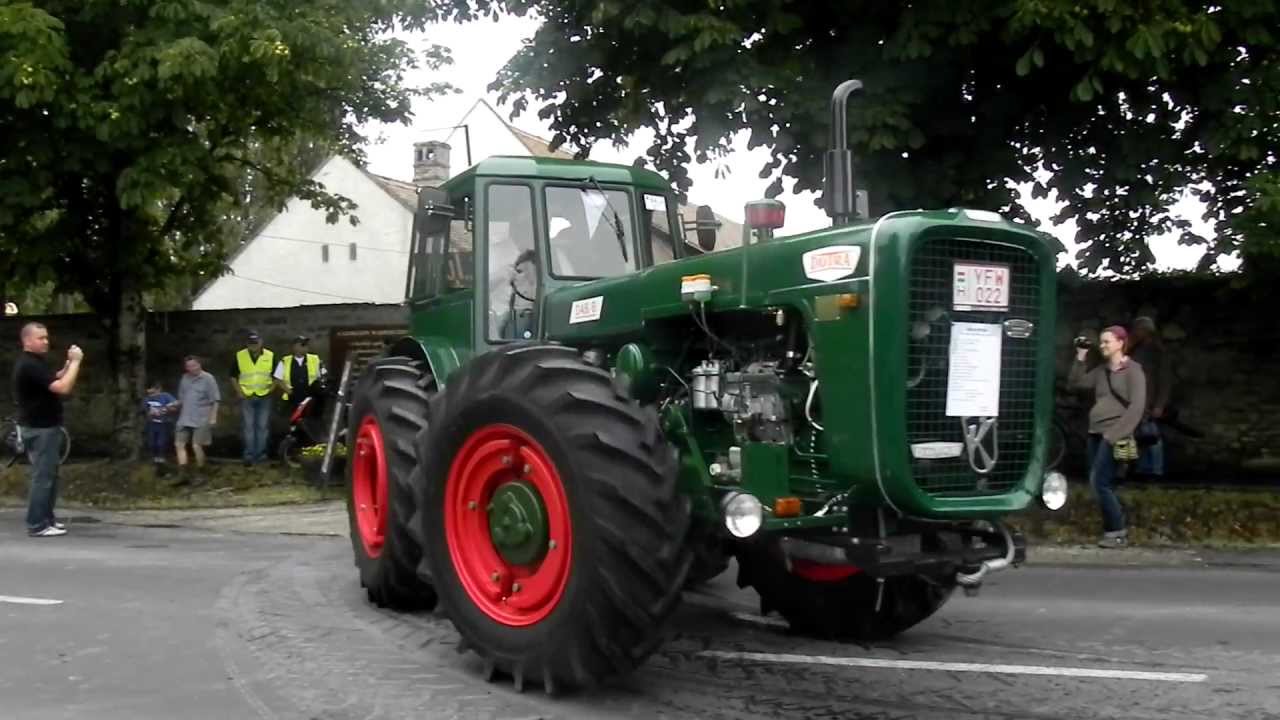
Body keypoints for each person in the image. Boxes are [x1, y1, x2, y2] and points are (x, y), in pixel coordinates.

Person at [1069, 325, 1147, 549]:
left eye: (1107, 342)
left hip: (1115, 435)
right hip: (1095, 433)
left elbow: (1137, 407)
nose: (1102, 346)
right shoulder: (1102, 371)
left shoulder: (1134, 371)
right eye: (1101, 342)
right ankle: (1113, 530)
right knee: (1101, 484)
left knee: (1099, 482)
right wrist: (1081, 356)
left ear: (1120, 343)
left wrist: (1113, 435)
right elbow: (1075, 384)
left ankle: (1117, 532)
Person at [11, 322, 83, 537]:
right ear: (27, 341)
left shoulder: (36, 363)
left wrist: (69, 363)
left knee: (50, 476)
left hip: (46, 426)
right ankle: (37, 524)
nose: (46, 342)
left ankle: (47, 519)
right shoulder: (29, 365)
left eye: (46, 338)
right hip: (40, 428)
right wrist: (77, 363)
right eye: (40, 338)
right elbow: (62, 387)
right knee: (43, 477)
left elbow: (55, 379)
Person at [1127, 316, 1173, 478]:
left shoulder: (1157, 352)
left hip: (1149, 400)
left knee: (1152, 436)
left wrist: (1159, 404)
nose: (1135, 332)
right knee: (1140, 436)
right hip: (1136, 399)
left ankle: (1155, 470)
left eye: (1138, 329)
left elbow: (1164, 380)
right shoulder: (1135, 350)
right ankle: (1142, 469)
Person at [173, 355, 220, 485]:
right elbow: (181, 399)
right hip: (185, 417)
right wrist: (172, 406)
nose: (191, 368)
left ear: (199, 364)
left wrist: (213, 417)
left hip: (201, 417)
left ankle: (201, 473)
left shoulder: (208, 379)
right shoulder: (184, 379)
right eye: (188, 366)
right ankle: (182, 474)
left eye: (194, 365)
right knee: (179, 444)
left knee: (196, 445)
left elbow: (215, 400)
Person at [230, 330, 274, 465]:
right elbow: (233, 376)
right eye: (251, 343)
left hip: (264, 396)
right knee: (249, 427)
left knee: (262, 427)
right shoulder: (240, 356)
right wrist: (239, 392)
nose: (253, 346)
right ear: (246, 344)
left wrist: (270, 390)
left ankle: (260, 455)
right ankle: (249, 455)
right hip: (247, 396)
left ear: (261, 342)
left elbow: (277, 376)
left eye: (256, 343)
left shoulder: (270, 355)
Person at [273, 335, 325, 414]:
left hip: (311, 400)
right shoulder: (284, 361)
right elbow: (278, 379)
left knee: (311, 423)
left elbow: (322, 376)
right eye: (303, 345)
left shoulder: (315, 359)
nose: (306, 347)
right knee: (292, 423)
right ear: (295, 347)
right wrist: (291, 392)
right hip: (291, 400)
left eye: (307, 344)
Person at [141, 379, 178, 465]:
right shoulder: (147, 399)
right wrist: (149, 413)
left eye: (153, 393)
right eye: (149, 393)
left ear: (159, 390)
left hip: (164, 423)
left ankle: (161, 458)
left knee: (161, 442)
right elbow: (144, 409)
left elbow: (176, 405)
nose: (151, 396)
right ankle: (153, 458)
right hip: (151, 423)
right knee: (151, 442)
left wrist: (165, 409)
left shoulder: (165, 396)